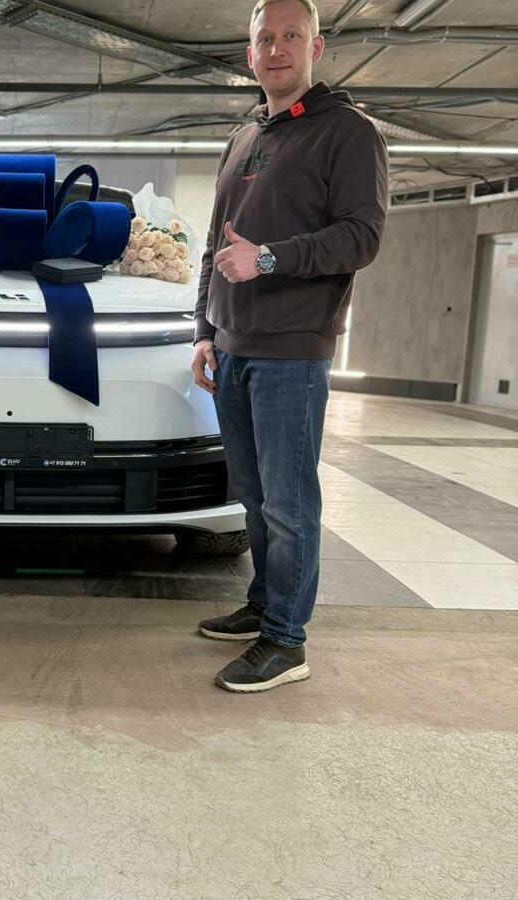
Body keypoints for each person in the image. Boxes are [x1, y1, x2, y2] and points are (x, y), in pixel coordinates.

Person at [190, 0, 388, 692]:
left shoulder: (348, 132)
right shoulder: (244, 134)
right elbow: (215, 244)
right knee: (252, 495)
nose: (277, 49)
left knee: (289, 502)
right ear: (250, 54)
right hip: (233, 347)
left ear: (316, 47)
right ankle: (263, 603)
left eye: (291, 36)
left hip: (292, 350)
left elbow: (362, 236)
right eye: (265, 39)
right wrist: (205, 331)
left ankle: (285, 640)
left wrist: (269, 259)